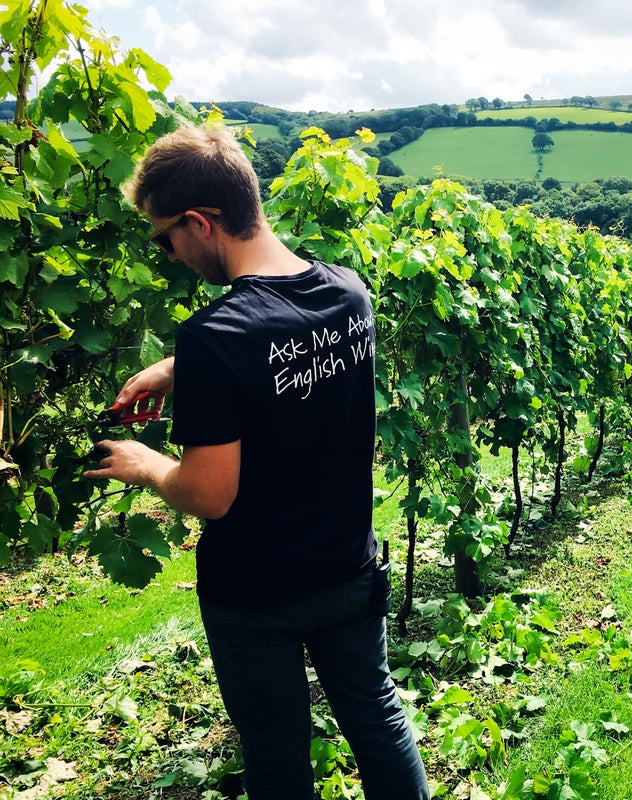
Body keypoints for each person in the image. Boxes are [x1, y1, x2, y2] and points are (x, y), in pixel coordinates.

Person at [84, 125, 430, 800]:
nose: (170, 255)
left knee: (276, 751)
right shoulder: (350, 294)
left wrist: (145, 463)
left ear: (199, 222)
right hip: (348, 570)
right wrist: (178, 368)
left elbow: (209, 494)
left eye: (165, 239)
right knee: (378, 718)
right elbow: (283, 344)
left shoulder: (216, 338)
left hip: (256, 594)